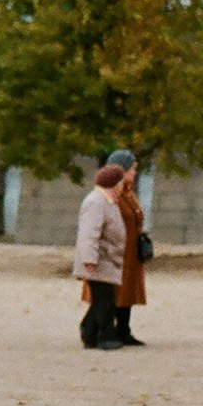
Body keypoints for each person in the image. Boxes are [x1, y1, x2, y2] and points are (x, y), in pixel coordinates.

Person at [74, 163, 129, 349]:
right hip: (99, 260)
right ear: (114, 182)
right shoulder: (96, 201)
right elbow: (89, 232)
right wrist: (89, 259)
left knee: (102, 299)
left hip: (107, 259)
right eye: (121, 181)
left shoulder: (108, 201)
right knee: (104, 300)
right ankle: (105, 336)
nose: (123, 185)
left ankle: (89, 332)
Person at [105, 148, 147, 346]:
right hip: (116, 250)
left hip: (131, 251)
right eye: (132, 169)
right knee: (113, 291)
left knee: (127, 290)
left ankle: (124, 329)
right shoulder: (111, 194)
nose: (135, 173)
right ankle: (107, 330)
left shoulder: (129, 193)